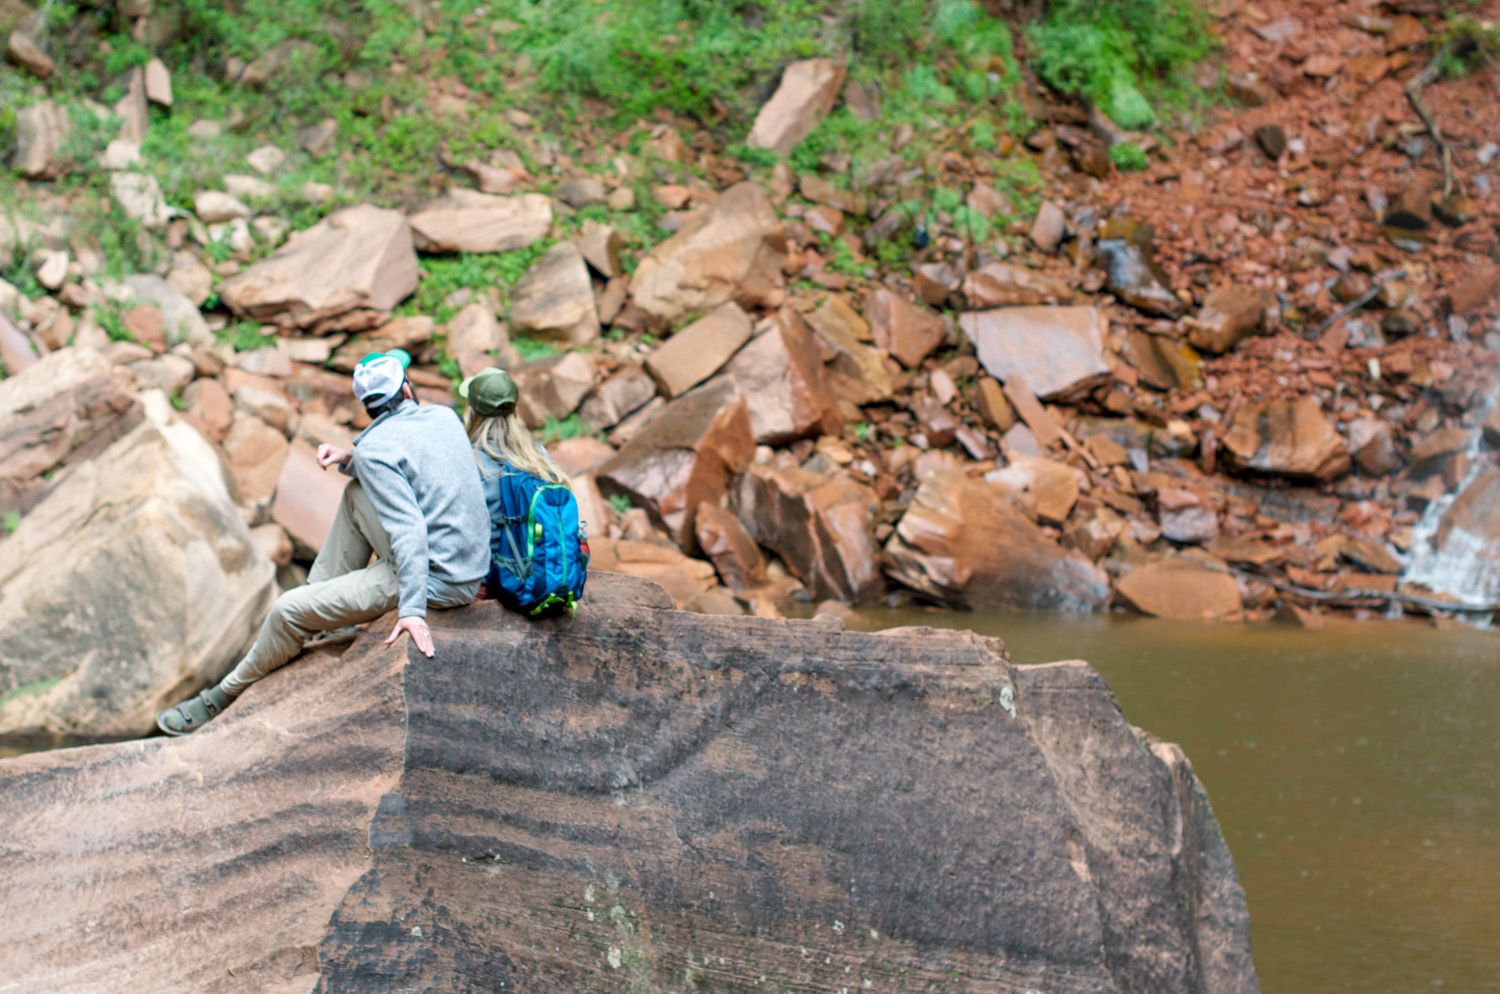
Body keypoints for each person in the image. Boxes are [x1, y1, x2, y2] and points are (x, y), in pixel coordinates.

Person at [156, 350, 490, 736]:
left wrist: (412, 611)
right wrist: (353, 459)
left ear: (368, 408)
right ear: (408, 391)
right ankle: (323, 610)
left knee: (285, 609)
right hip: (464, 559)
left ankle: (224, 695)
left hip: (436, 577)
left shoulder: (377, 449)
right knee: (356, 495)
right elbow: (414, 461)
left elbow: (410, 531)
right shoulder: (442, 417)